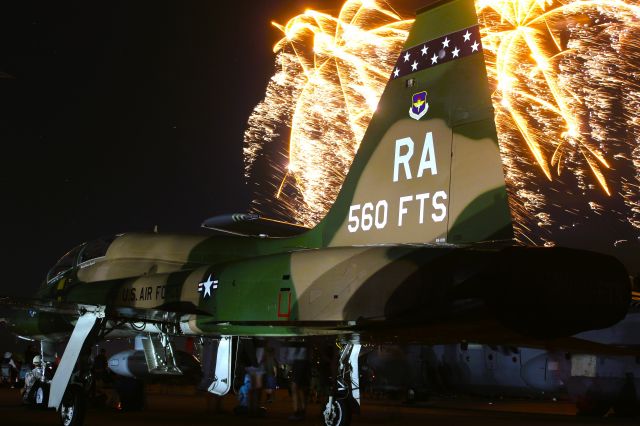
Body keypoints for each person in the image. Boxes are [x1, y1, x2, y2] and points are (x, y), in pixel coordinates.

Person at [289, 342, 311, 421]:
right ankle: (302, 411)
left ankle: (296, 412)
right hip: (304, 361)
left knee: (294, 387)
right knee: (301, 387)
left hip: (299, 361)